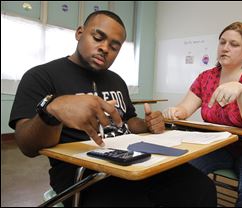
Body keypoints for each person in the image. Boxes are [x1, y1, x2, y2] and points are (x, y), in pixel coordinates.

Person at [9, 10, 217, 207]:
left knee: (201, 188)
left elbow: (128, 121)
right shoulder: (41, 76)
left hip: (134, 159)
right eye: (98, 38)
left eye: (114, 46)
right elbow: (27, 146)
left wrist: (147, 124)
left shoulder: (116, 80)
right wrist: (52, 111)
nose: (105, 48)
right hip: (83, 171)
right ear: (79, 33)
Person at [163, 22, 242, 207]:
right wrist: (175, 112)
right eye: (222, 42)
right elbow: (185, 109)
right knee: (176, 172)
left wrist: (241, 91)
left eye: (234, 44)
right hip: (220, 146)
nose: (225, 48)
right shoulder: (206, 77)